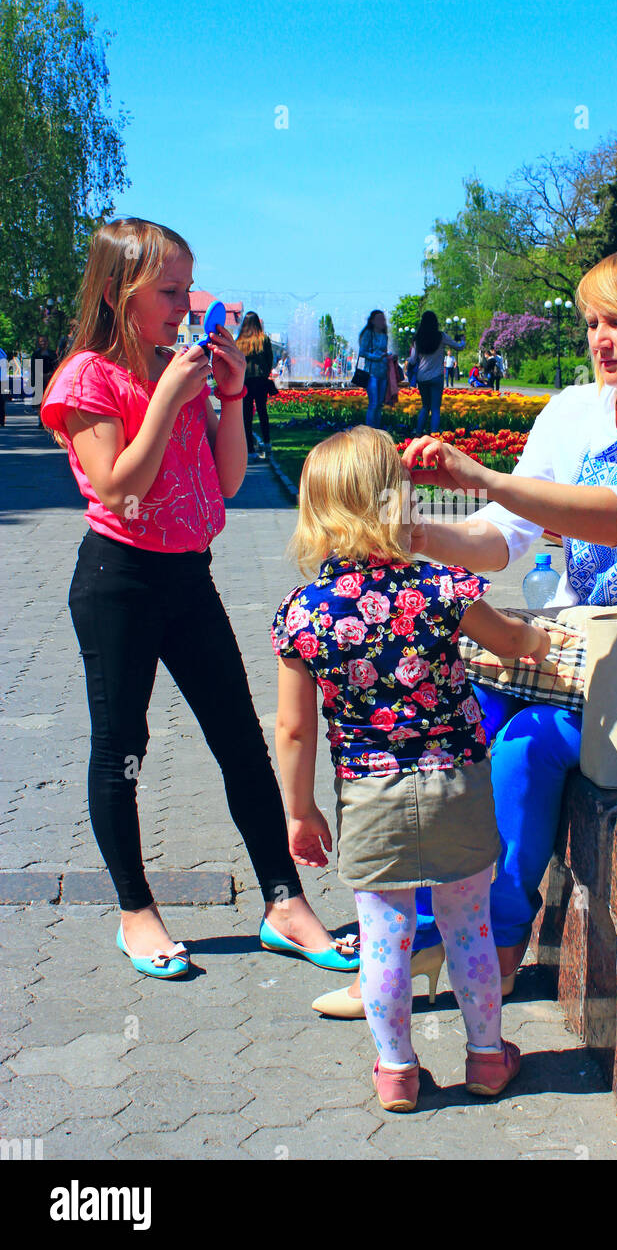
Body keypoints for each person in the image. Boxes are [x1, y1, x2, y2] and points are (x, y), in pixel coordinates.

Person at [312, 242, 617, 1012]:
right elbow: (499, 538)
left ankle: (498, 943)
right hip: (568, 664)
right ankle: (420, 941)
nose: (598, 338)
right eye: (591, 321)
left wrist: (486, 476)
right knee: (453, 724)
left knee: (525, 746)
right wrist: (409, 535)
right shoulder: (573, 412)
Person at [40, 217, 358, 980]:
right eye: (170, 290)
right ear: (119, 293)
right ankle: (136, 910)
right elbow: (119, 488)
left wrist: (231, 393)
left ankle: (284, 903)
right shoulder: (88, 377)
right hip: (119, 580)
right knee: (123, 750)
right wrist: (165, 400)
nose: (186, 305)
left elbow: (224, 481)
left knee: (239, 739)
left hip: (189, 574)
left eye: (189, 287)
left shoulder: (176, 366)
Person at [271, 427, 552, 1109]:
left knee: (384, 935)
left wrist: (300, 811)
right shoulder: (442, 588)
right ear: (397, 504)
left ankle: (396, 1070)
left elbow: (294, 728)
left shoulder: (304, 615)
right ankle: (488, 1058)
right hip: (457, 783)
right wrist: (541, 639)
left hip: (370, 796)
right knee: (469, 927)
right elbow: (513, 643)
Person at [408, 311, 464, 435]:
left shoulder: (418, 339)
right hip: (437, 376)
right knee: (435, 408)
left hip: (422, 377)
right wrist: (463, 341)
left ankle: (418, 433)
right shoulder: (441, 336)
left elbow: (412, 359)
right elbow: (458, 347)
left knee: (425, 406)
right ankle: (434, 435)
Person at [236, 312, 273, 461]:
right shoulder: (263, 339)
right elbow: (269, 359)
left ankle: (250, 450)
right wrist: (264, 373)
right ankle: (267, 444)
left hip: (244, 381)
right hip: (261, 381)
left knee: (246, 416)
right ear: (258, 323)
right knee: (263, 412)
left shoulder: (239, 342)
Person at [357, 309, 390, 427]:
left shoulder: (384, 336)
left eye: (383, 319)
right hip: (372, 373)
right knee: (374, 403)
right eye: (380, 319)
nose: (383, 321)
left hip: (383, 373)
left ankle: (377, 429)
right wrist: (377, 357)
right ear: (373, 321)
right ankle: (370, 429)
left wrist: (389, 356)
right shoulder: (368, 334)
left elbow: (384, 352)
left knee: (380, 403)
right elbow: (362, 352)